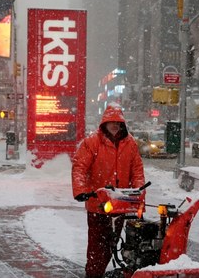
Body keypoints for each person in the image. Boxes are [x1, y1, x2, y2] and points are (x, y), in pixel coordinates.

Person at [72, 104, 145, 278]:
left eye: (118, 122)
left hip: (121, 204)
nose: (115, 125)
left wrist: (139, 194)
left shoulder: (130, 144)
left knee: (114, 243)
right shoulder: (92, 143)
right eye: (111, 122)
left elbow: (137, 171)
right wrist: (81, 190)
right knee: (97, 246)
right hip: (98, 204)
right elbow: (79, 167)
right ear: (104, 123)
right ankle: (93, 274)